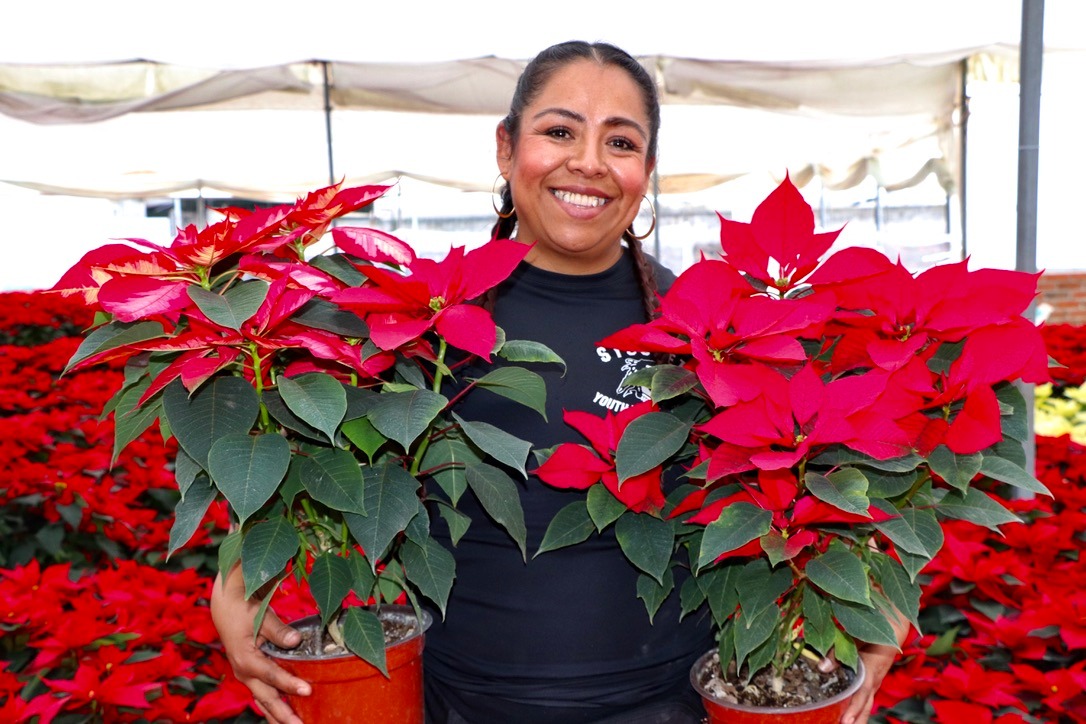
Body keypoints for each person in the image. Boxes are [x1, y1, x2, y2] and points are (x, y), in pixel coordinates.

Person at [210, 40, 904, 724]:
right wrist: (237, 575)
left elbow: (827, 476)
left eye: (621, 143)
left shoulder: (709, 328)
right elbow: (303, 459)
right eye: (560, 131)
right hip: (456, 702)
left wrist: (881, 603)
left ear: (648, 169)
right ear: (507, 148)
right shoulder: (422, 322)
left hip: (668, 704)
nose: (589, 163)